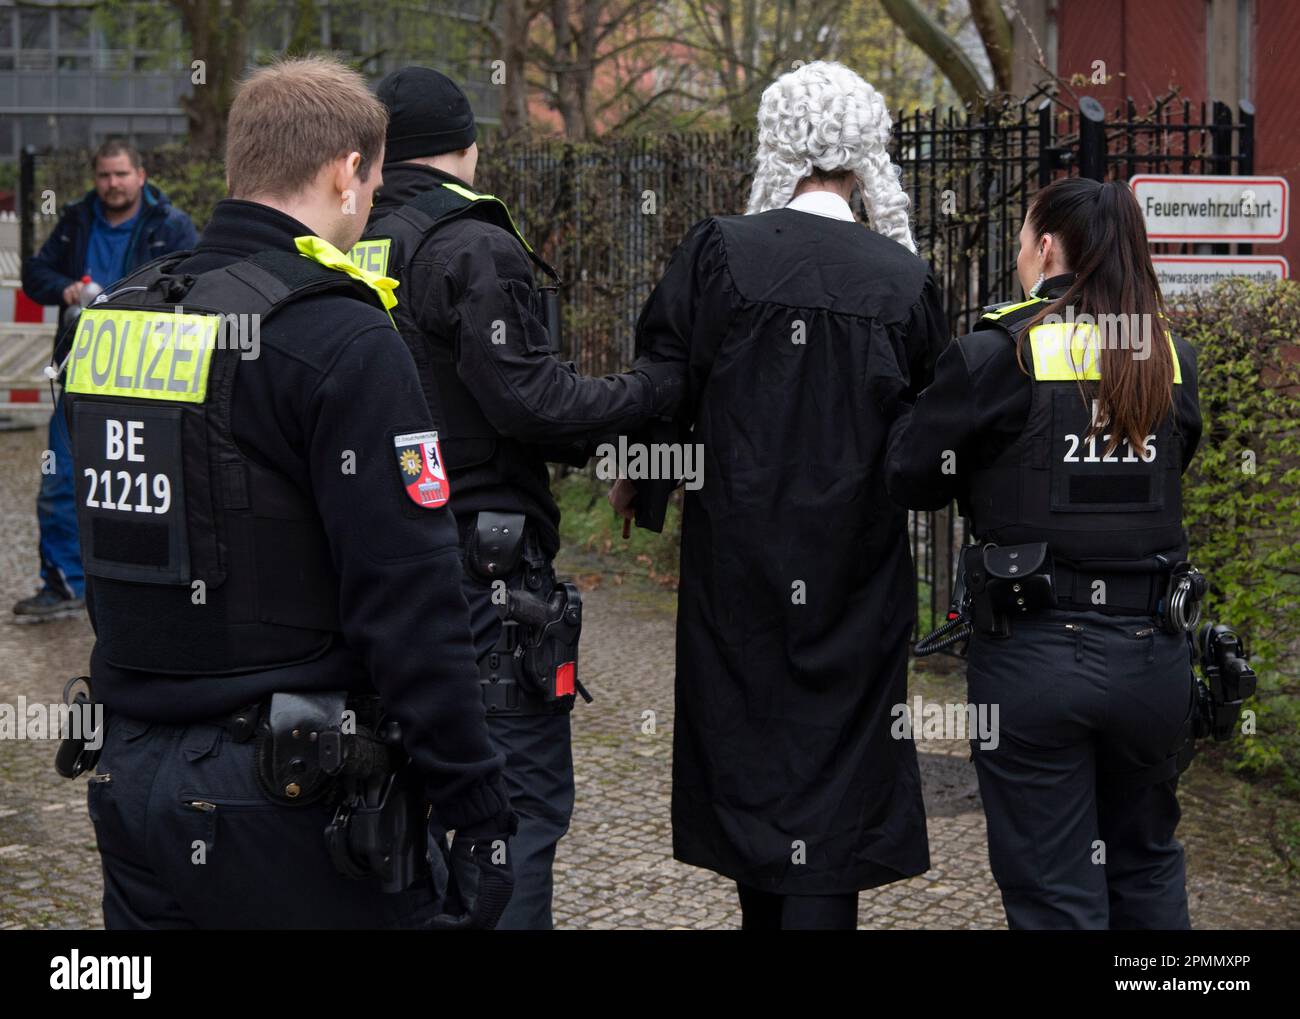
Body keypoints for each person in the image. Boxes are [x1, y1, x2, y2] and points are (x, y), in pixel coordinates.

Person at [63, 56, 513, 930]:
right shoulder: (339, 334)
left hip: (130, 777)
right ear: (347, 171)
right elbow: (412, 598)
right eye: (374, 181)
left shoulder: (118, 317)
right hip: (288, 798)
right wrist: (476, 805)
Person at [612, 61, 946, 930]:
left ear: (777, 142)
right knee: (834, 785)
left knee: (751, 769)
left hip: (740, 573)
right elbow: (925, 433)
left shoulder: (722, 251)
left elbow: (666, 377)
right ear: (865, 149)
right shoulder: (905, 282)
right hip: (857, 579)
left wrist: (638, 489)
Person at [359, 66, 681, 930]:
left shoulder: (348, 238)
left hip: (372, 573)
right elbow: (532, 404)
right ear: (469, 146)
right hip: (483, 584)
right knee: (508, 816)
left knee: (403, 809)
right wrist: (652, 389)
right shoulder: (470, 242)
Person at [886, 176, 1203, 929]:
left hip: (1034, 658)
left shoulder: (1001, 350)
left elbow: (911, 476)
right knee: (1148, 865)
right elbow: (1174, 462)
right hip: (1155, 657)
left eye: (1026, 238)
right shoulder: (1170, 354)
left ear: (1049, 246)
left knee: (1057, 892)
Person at [18, 139, 197, 620]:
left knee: (152, 480)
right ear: (95, 178)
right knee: (60, 477)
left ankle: (152, 585)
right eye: (104, 176)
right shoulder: (77, 218)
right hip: (82, 369)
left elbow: (197, 284)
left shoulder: (171, 224)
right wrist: (66, 288)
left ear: (141, 175)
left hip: (150, 376)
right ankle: (63, 586)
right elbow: (35, 274)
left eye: (121, 175)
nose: (113, 185)